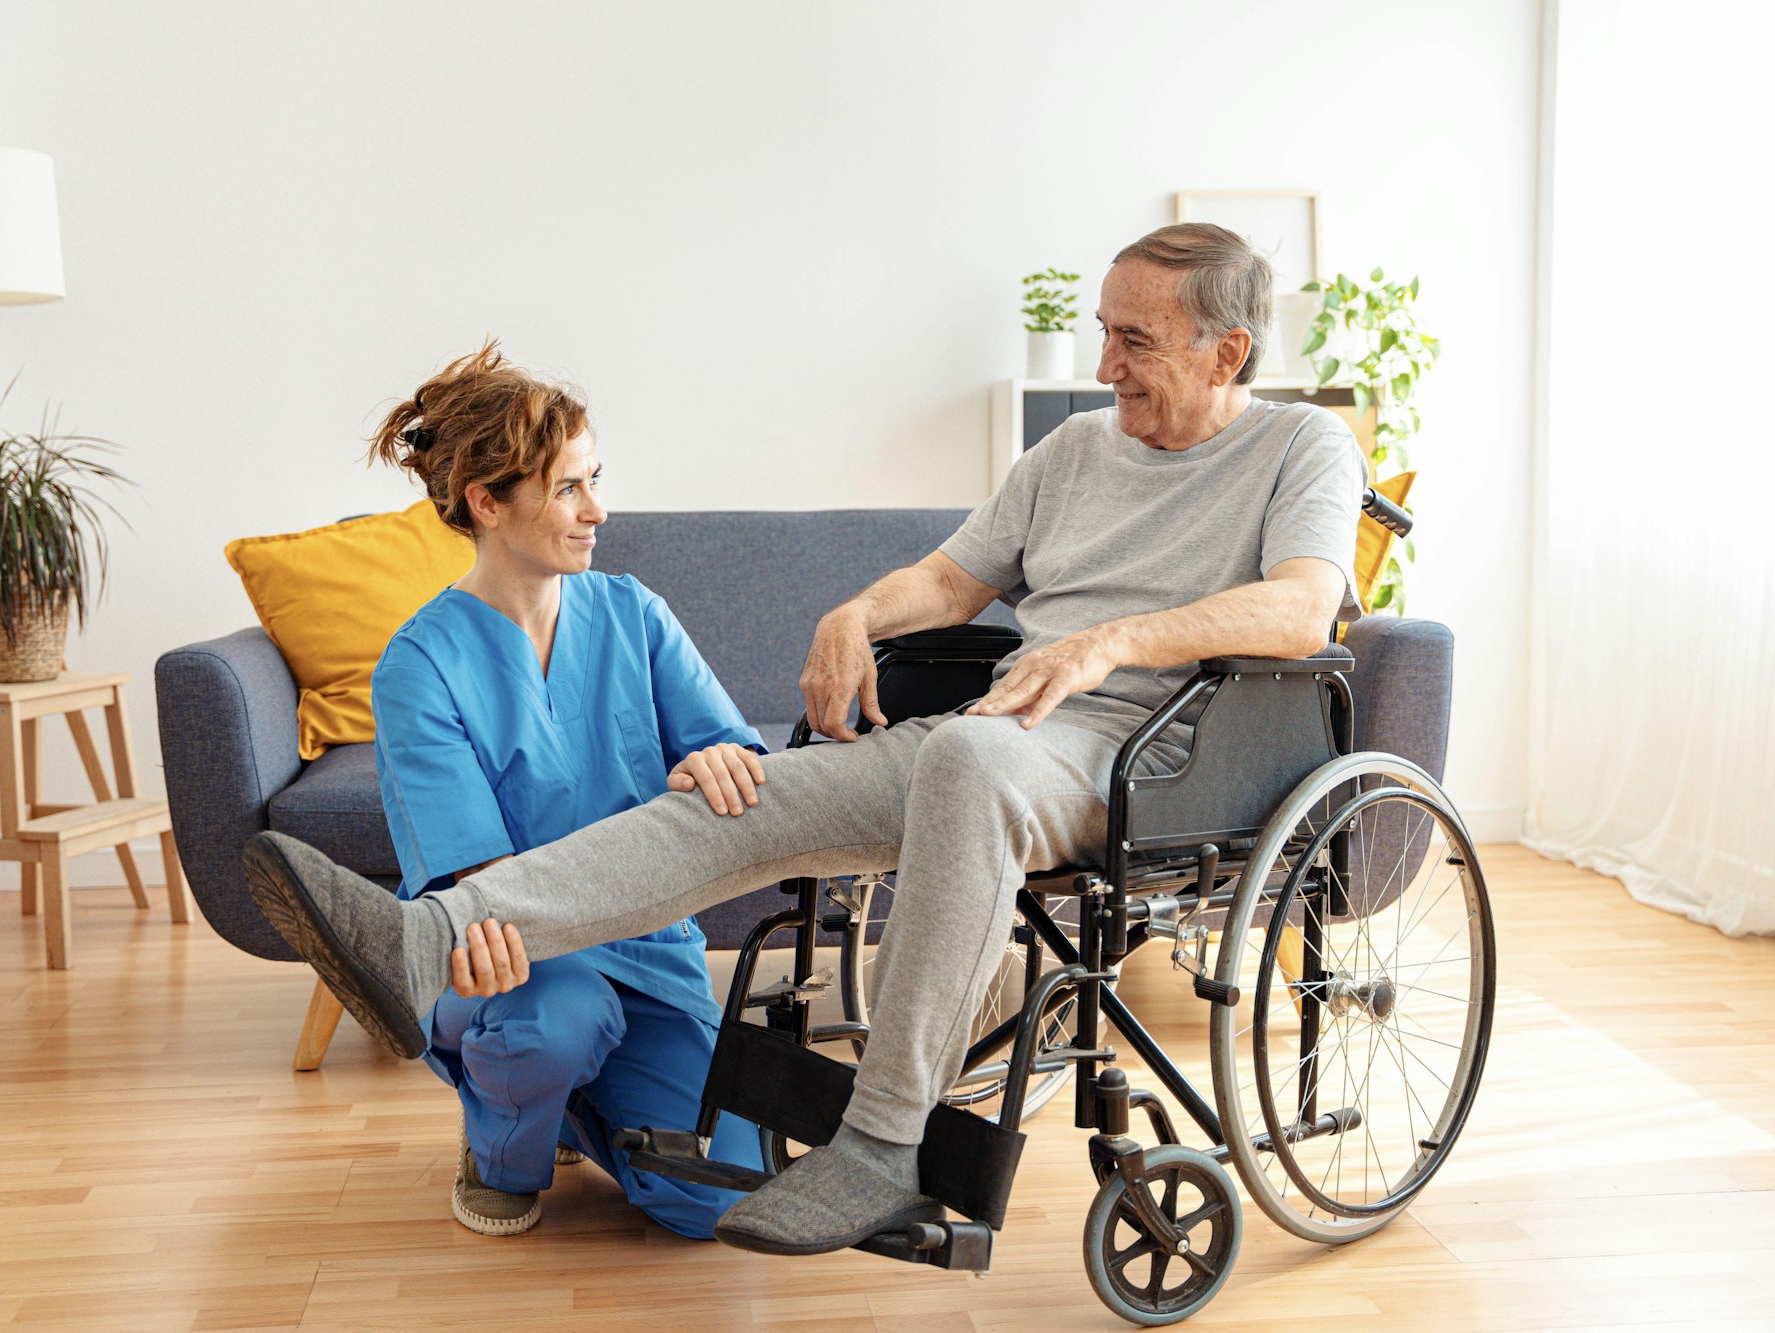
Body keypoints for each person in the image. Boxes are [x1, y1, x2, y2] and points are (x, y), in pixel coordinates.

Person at [245, 222, 1366, 1257]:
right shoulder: (1071, 452)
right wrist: (857, 614)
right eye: (1102, 332)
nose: (1105, 361)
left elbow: (1300, 609)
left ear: (1226, 353)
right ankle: (424, 937)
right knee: (754, 792)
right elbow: (948, 577)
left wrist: (1111, 642)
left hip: (1149, 753)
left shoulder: (1299, 447)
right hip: (994, 735)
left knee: (959, 761)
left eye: (1135, 339)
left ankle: (880, 1142)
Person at [360, 342, 765, 1240]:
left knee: (723, 1196)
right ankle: (506, 1150)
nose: (599, 509)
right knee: (557, 1018)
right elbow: (487, 884)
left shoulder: (634, 612)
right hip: (509, 959)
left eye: (595, 480)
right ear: (487, 502)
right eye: (571, 487)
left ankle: (580, 1105)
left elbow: (731, 751)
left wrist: (715, 765)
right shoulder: (420, 665)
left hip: (652, 950)